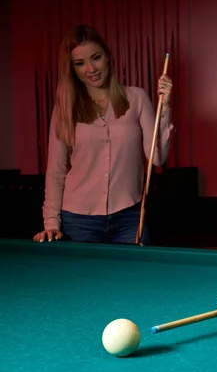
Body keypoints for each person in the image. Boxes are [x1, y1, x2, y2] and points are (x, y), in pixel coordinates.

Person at [32, 25, 174, 244]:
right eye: (80, 63)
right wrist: (51, 223)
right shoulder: (65, 108)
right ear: (73, 69)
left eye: (96, 58)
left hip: (130, 217)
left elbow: (158, 157)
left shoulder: (136, 98)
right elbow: (56, 171)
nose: (91, 69)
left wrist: (164, 108)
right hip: (79, 222)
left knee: (134, 278)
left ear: (107, 57)